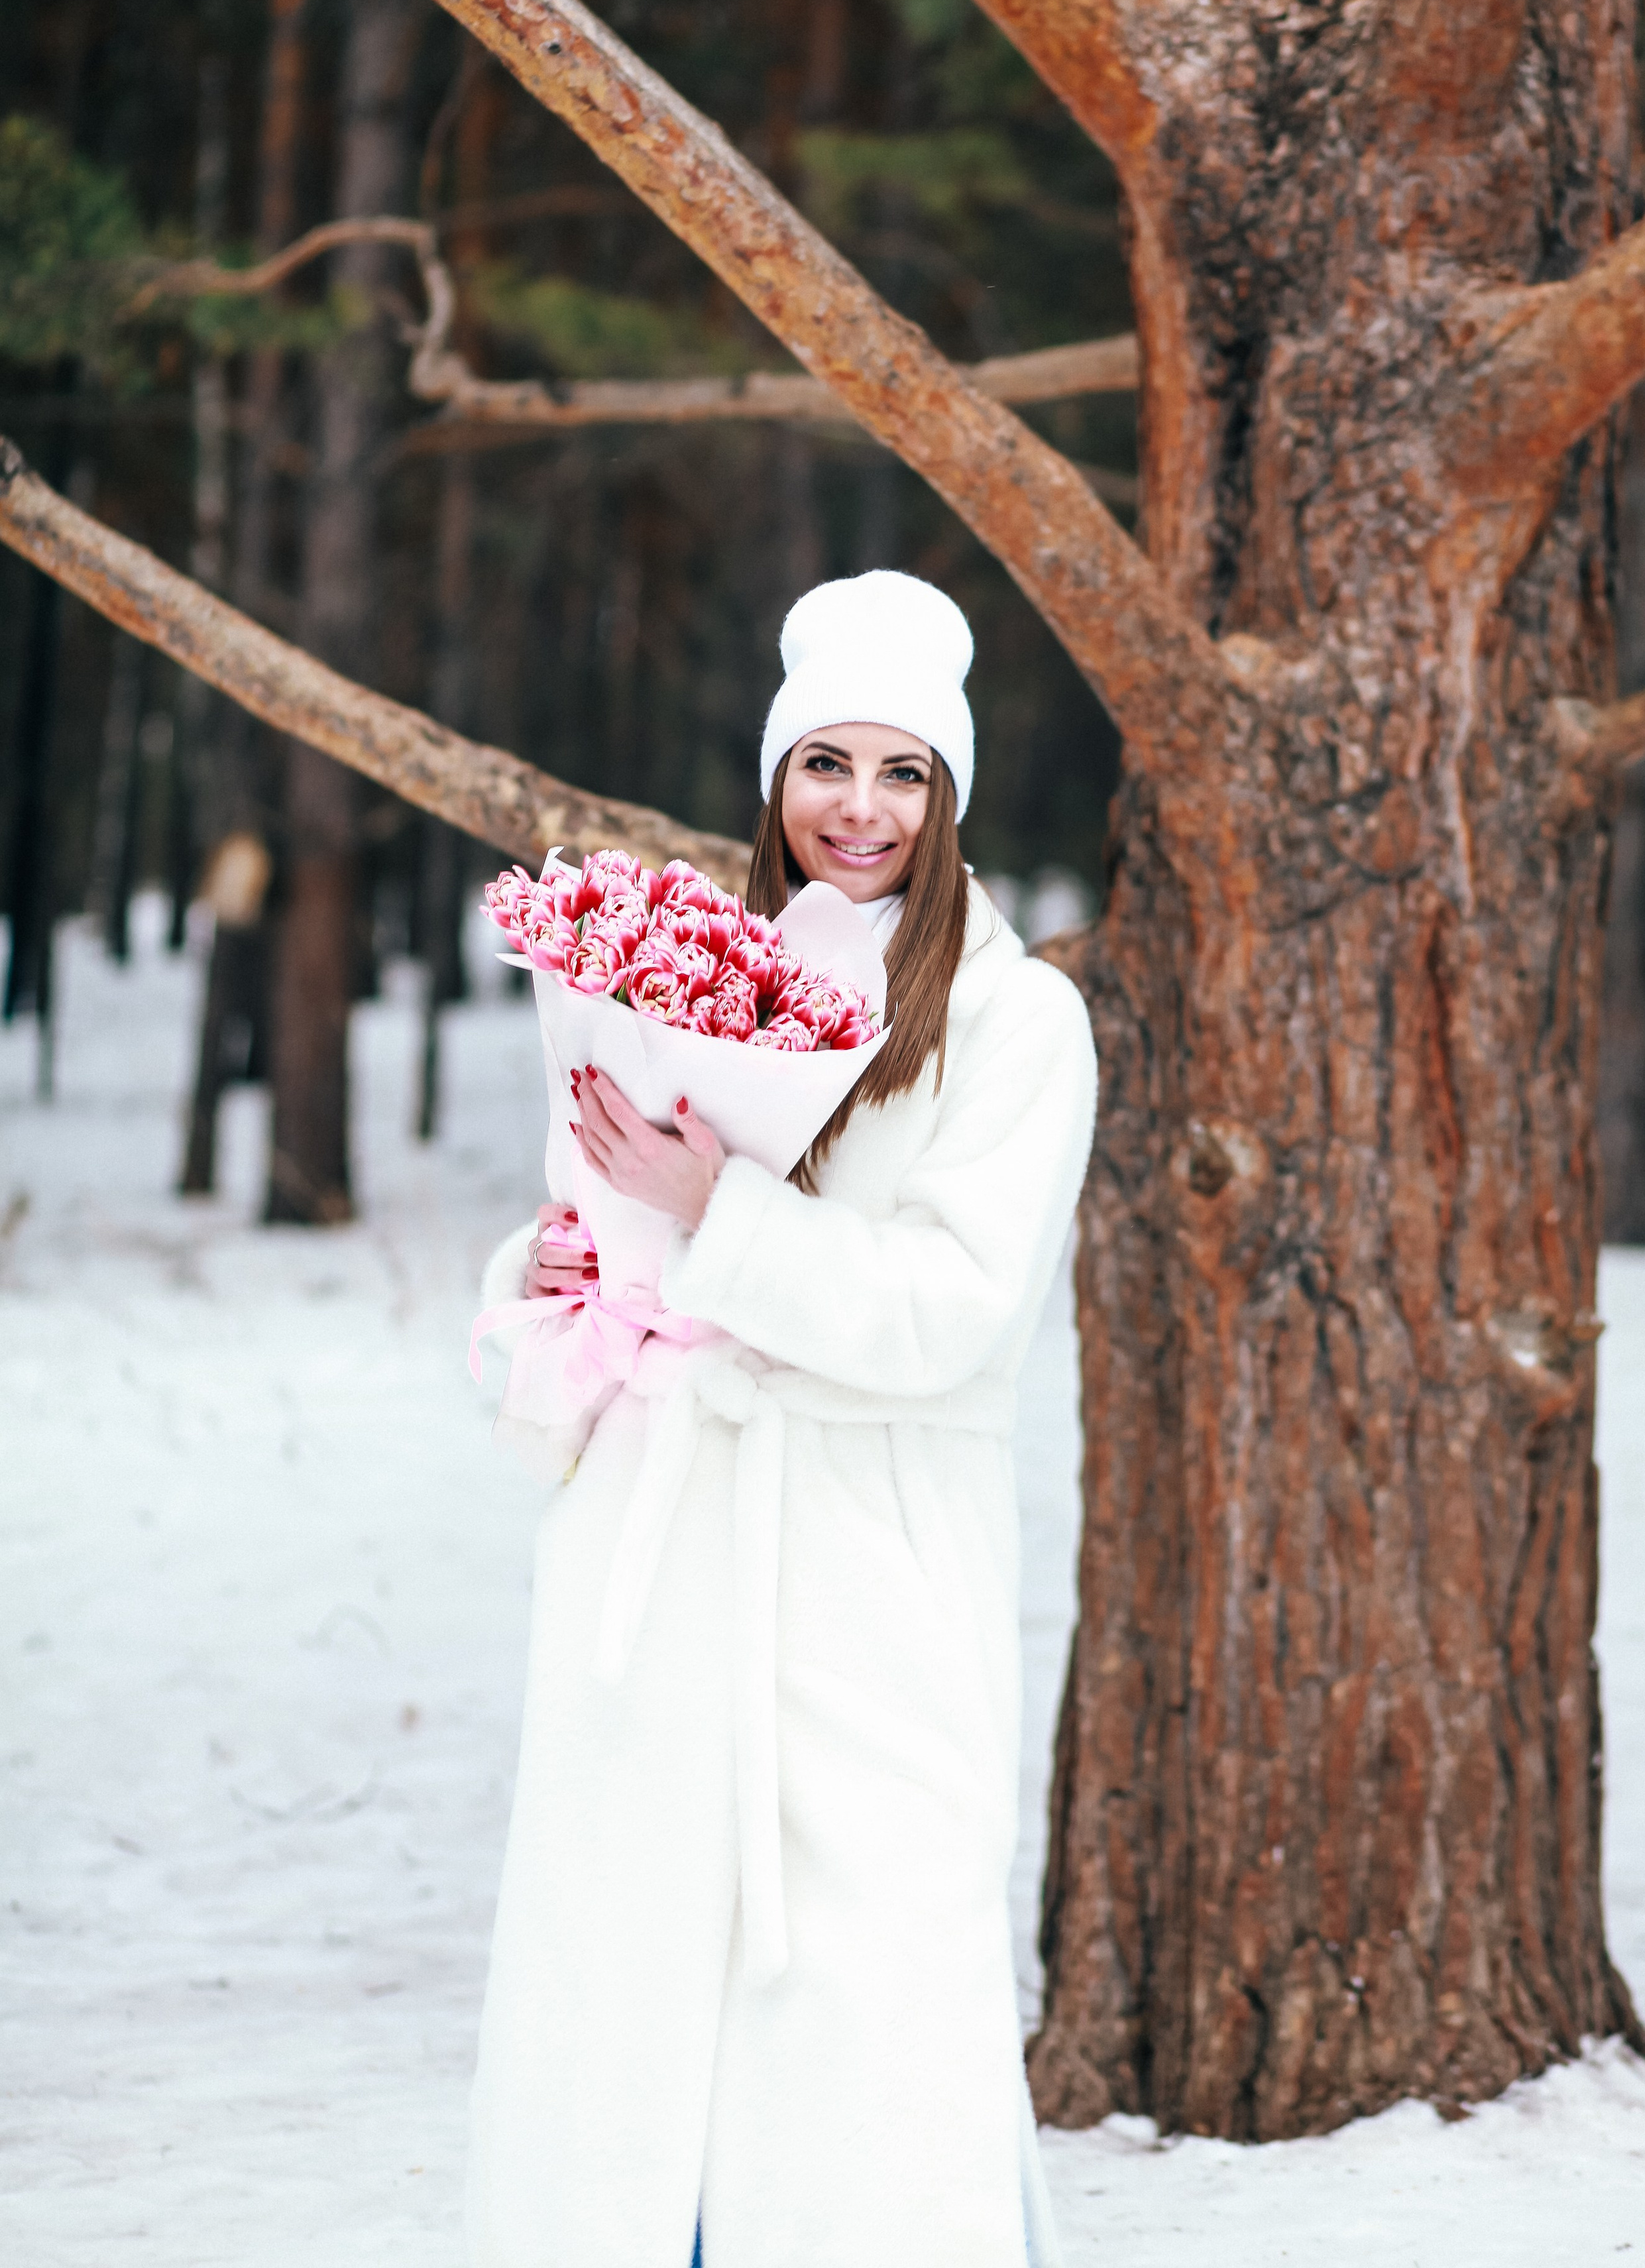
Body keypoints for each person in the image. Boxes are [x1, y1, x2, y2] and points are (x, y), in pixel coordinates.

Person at [467, 570, 1098, 2268]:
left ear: (950, 797)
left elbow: (956, 1316)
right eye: (828, 762)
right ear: (774, 778)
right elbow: (619, 1244)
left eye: (905, 773)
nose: (861, 808)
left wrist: (720, 1214)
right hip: (655, 1553)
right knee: (626, 1994)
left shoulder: (1014, 1021)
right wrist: (560, 1268)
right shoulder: (691, 971)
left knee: (872, 1996)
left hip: (863, 1556)